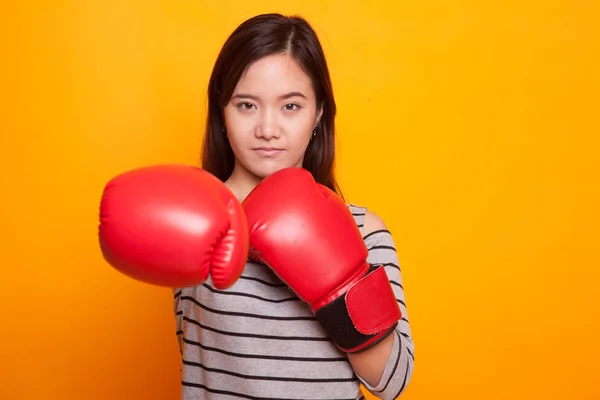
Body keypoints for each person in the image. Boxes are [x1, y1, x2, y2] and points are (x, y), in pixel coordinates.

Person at [99, 12, 415, 400]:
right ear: (222, 112)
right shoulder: (193, 216)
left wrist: (340, 283)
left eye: (291, 106)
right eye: (247, 105)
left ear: (318, 114)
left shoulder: (364, 230)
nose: (267, 128)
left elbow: (392, 382)